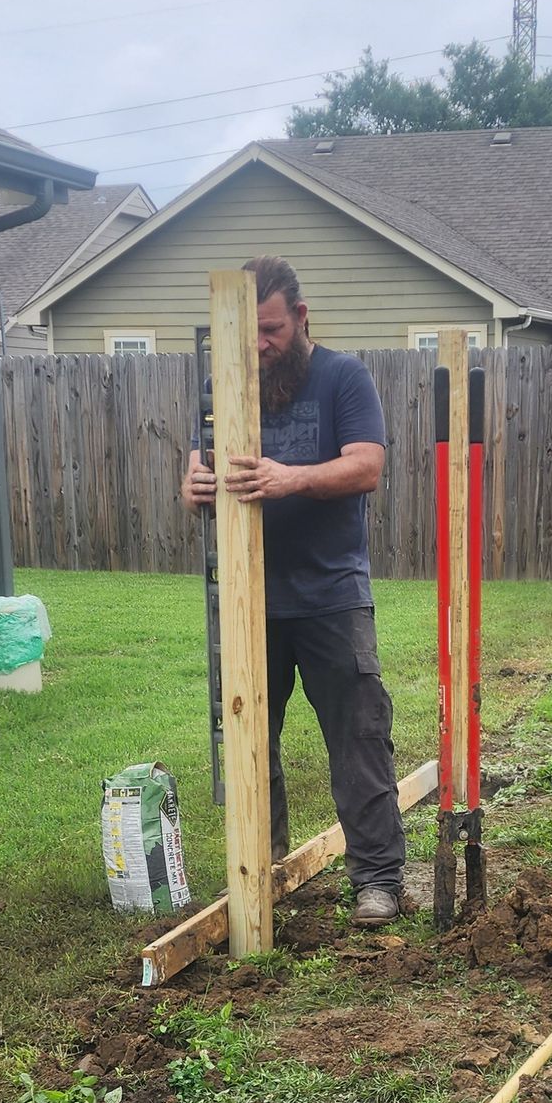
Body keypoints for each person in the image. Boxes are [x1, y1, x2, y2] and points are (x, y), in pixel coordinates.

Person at [181, 256, 406, 926]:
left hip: (332, 595)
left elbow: (366, 466)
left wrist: (290, 477)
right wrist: (194, 487)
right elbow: (204, 468)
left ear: (300, 318)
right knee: (251, 738)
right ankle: (262, 870)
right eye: (246, 333)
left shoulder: (342, 377)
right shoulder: (226, 385)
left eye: (271, 329)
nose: (259, 345)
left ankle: (379, 880)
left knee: (358, 735)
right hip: (251, 600)